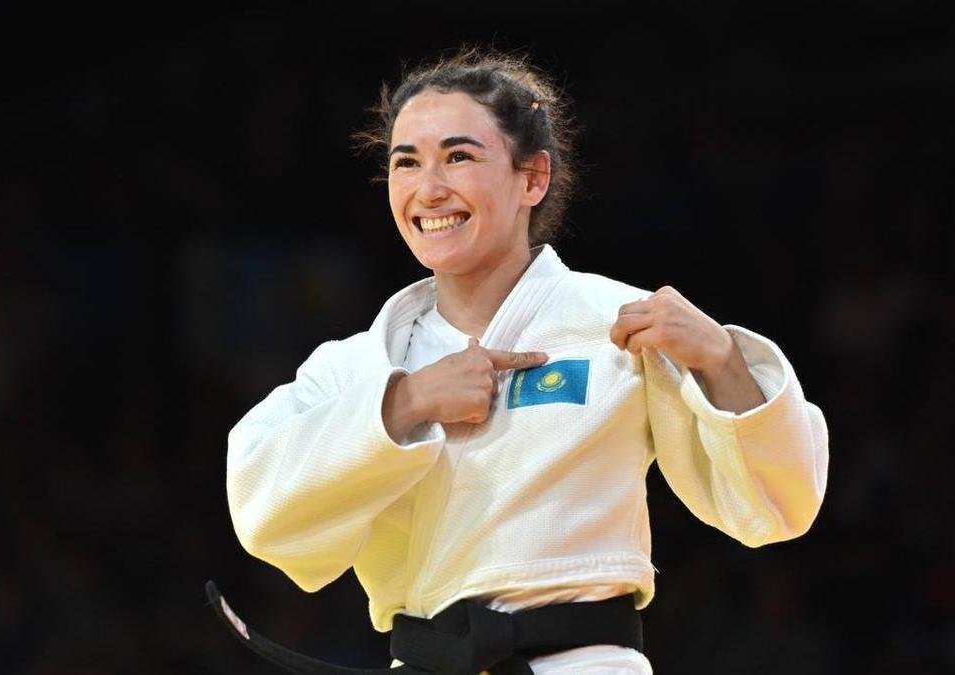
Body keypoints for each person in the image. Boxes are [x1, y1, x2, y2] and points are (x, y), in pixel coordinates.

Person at [220, 46, 829, 674]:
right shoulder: (362, 366)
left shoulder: (620, 324)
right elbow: (262, 513)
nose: (430, 189)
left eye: (459, 157)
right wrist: (407, 403)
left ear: (532, 178)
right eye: (407, 163)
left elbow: (778, 506)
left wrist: (723, 361)